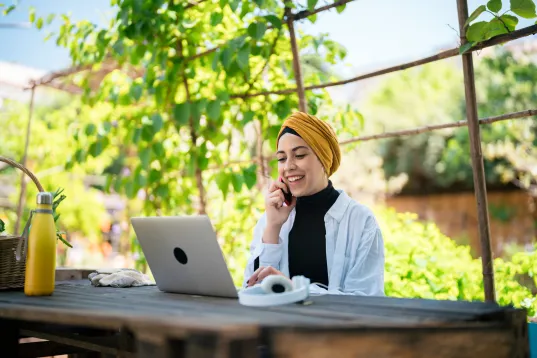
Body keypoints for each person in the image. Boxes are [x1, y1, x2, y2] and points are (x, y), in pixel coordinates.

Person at [242, 112, 385, 296]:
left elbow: (366, 301)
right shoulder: (270, 220)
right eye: (282, 158)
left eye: (299, 155)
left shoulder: (361, 221)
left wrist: (296, 290)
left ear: (323, 158)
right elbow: (252, 291)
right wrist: (273, 228)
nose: (288, 166)